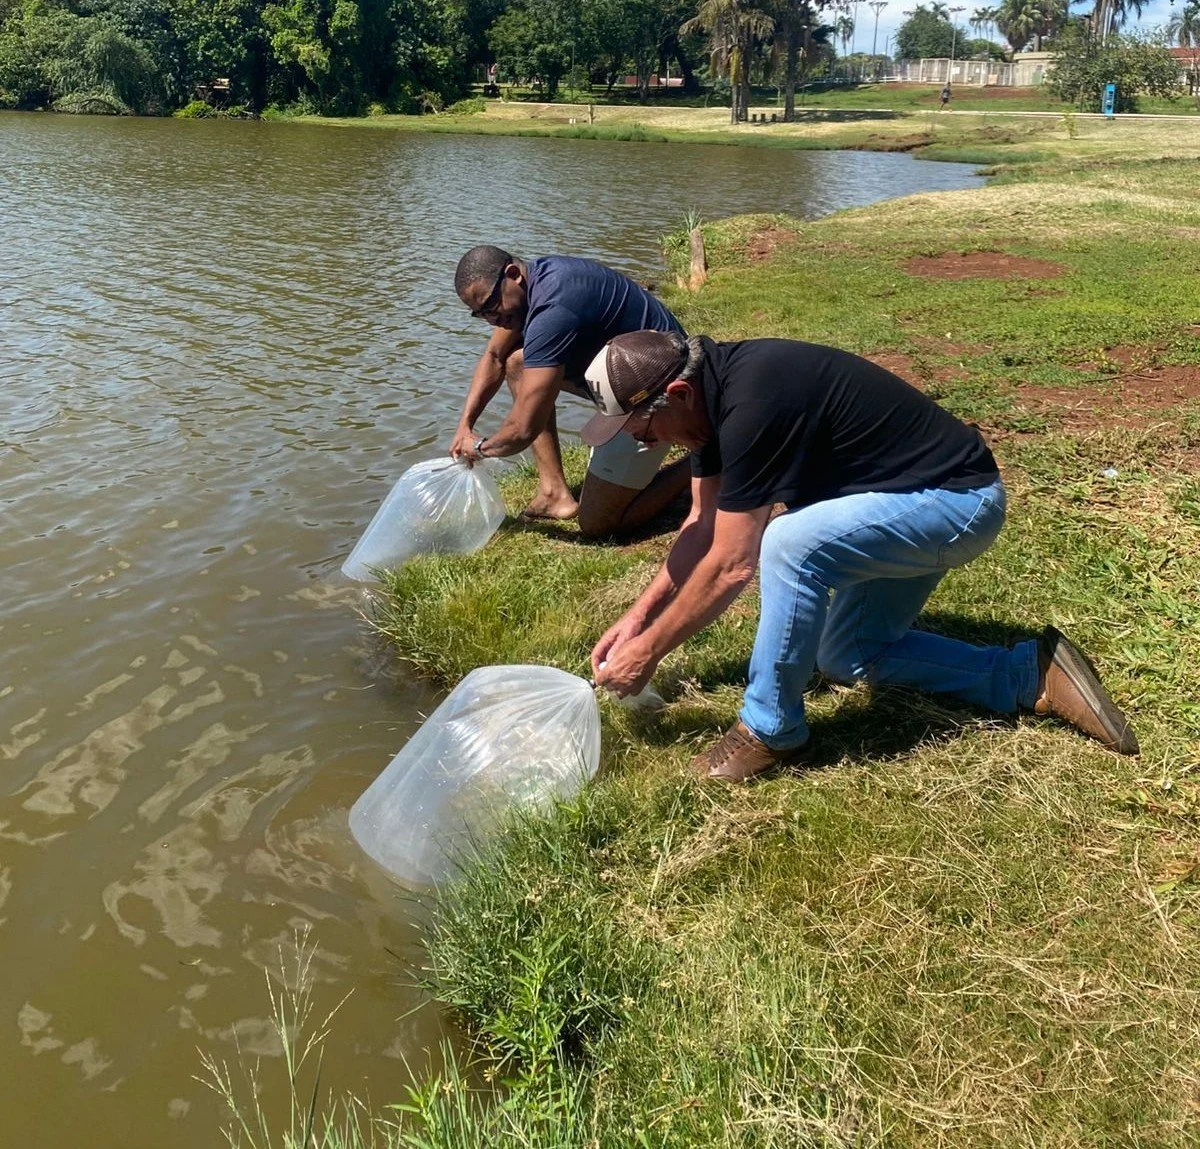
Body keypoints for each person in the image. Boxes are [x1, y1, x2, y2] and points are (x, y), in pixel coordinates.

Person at [585, 330, 1139, 782]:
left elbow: (731, 563)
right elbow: (701, 526)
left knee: (787, 544)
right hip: (900, 502)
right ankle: (1029, 675)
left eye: (644, 431)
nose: (647, 445)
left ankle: (768, 729)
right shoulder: (706, 406)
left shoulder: (751, 402)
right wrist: (637, 622)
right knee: (848, 656)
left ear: (678, 392)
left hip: (955, 503)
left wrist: (647, 654)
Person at [449, 246, 692, 536]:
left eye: (491, 306)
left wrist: (479, 449)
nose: (492, 320)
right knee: (518, 362)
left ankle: (705, 457)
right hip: (623, 376)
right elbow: (494, 357)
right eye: (479, 314)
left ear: (512, 275)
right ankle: (553, 493)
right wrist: (465, 425)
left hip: (660, 392)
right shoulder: (533, 285)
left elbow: (523, 430)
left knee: (600, 524)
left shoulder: (554, 308)